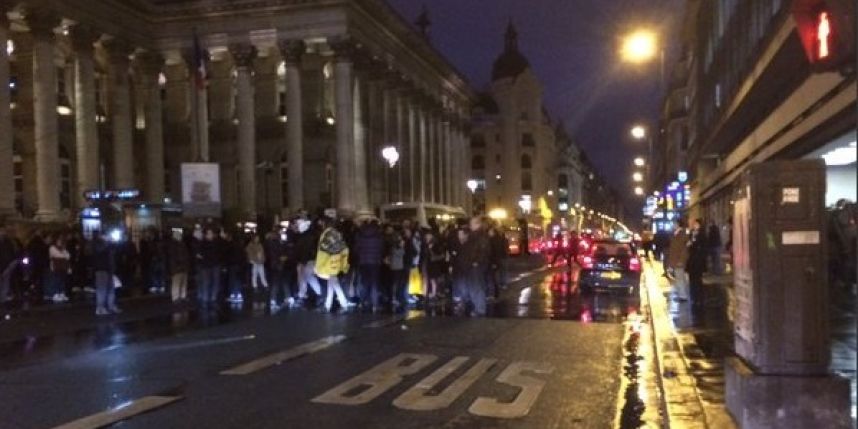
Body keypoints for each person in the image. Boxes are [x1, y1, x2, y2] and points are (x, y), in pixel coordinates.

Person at [314, 217, 350, 312]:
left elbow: (323, 251)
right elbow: (343, 248)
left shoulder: (327, 234)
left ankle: (344, 304)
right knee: (333, 283)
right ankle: (328, 305)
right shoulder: (336, 234)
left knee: (334, 283)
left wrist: (319, 265)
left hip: (329, 262)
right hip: (336, 261)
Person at [459, 216, 491, 316]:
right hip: (471, 264)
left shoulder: (480, 235)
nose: (470, 225)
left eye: (472, 223)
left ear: (477, 224)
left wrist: (476, 262)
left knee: (477, 287)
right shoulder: (475, 235)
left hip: (475, 265)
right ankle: (478, 307)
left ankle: (480, 309)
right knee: (473, 286)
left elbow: (483, 250)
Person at [354, 218, 385, 311]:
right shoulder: (378, 236)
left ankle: (362, 302)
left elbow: (356, 249)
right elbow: (382, 248)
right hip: (375, 262)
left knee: (364, 282)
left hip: (363, 261)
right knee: (374, 283)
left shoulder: (360, 235)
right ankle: (375, 304)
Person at [92, 231, 121, 315]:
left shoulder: (107, 244)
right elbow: (100, 250)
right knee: (102, 290)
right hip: (101, 269)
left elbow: (114, 251)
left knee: (111, 289)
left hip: (109, 269)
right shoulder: (97, 243)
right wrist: (108, 243)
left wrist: (114, 243)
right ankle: (100, 308)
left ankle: (111, 306)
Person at [295, 218, 323, 306]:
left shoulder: (303, 237)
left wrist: (301, 260)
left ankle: (305, 295)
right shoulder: (311, 236)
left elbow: (301, 250)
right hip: (310, 259)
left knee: (305, 277)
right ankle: (315, 293)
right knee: (307, 277)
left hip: (306, 260)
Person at [195, 228, 221, 306]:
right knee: (206, 282)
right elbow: (198, 254)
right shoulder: (202, 243)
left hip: (214, 264)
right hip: (206, 265)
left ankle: (213, 298)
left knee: (215, 282)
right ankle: (205, 298)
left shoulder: (216, 242)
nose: (210, 235)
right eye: (209, 233)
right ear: (206, 235)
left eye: (211, 233)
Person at [687, 219, 708, 309]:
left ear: (699, 225)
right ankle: (694, 298)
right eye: (694, 224)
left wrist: (693, 243)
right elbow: (689, 245)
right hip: (692, 260)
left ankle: (700, 298)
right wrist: (690, 243)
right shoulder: (691, 234)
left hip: (698, 260)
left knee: (698, 280)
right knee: (692, 279)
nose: (694, 225)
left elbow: (703, 246)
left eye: (696, 224)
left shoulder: (702, 234)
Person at [667, 219, 690, 302]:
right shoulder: (676, 234)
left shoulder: (682, 234)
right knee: (679, 278)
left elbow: (683, 249)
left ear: (677, 224)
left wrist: (681, 260)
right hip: (676, 260)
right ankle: (682, 294)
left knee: (680, 278)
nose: (672, 225)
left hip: (679, 260)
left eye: (674, 223)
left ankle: (683, 296)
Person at [386, 231, 408, 313]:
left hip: (394, 266)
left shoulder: (392, 247)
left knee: (395, 283)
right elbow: (401, 254)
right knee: (396, 283)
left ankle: (394, 297)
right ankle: (394, 297)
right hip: (397, 267)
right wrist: (402, 246)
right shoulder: (395, 247)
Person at [166, 230, 190, 303]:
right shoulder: (173, 245)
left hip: (183, 266)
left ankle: (182, 296)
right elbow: (172, 258)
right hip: (177, 267)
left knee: (183, 282)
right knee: (176, 283)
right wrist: (176, 266)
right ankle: (176, 297)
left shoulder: (182, 244)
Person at [223, 231, 245, 304]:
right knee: (238, 280)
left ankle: (232, 295)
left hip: (232, 265)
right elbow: (243, 256)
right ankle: (238, 294)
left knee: (232, 280)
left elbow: (227, 256)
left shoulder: (230, 245)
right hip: (239, 265)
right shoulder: (240, 246)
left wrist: (225, 265)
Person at [423, 231, 447, 301]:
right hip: (427, 263)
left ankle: (434, 293)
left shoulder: (435, 244)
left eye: (429, 235)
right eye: (427, 235)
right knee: (428, 279)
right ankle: (427, 293)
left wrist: (431, 251)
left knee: (433, 279)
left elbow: (441, 255)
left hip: (433, 264)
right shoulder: (425, 244)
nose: (427, 236)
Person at [48, 236, 71, 303]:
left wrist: (63, 255)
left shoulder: (63, 248)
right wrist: (63, 255)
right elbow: (57, 255)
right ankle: (56, 294)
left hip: (63, 267)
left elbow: (68, 255)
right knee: (57, 280)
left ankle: (62, 293)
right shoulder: (52, 248)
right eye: (59, 241)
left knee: (62, 280)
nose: (60, 242)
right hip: (56, 266)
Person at [488, 227, 509, 298]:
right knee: (502, 272)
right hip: (502, 258)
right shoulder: (501, 239)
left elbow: (494, 252)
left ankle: (494, 292)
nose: (489, 233)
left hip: (497, 259)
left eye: (490, 231)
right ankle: (503, 284)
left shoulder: (492, 240)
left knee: (493, 277)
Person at [0, 226, 17, 303]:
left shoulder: (8, 242)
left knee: (5, 282)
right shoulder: (8, 241)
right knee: (5, 282)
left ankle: (2, 298)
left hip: (7, 264)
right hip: (7, 264)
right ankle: (2, 298)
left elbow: (11, 253)